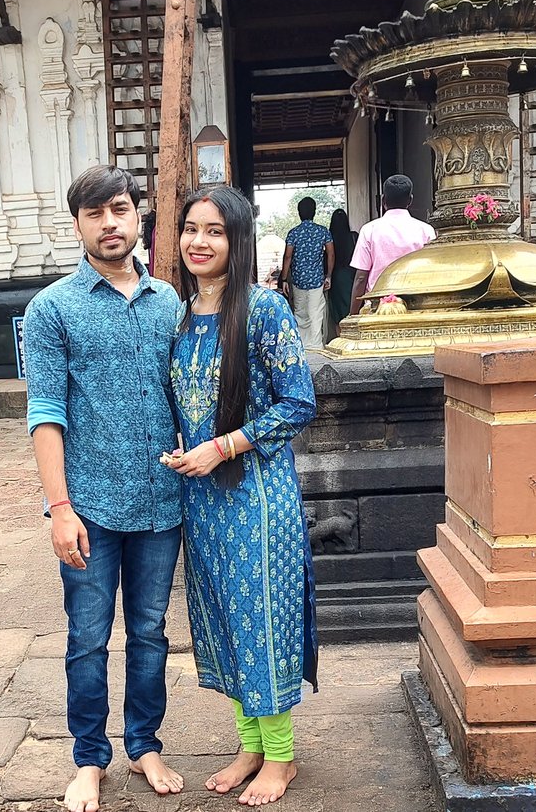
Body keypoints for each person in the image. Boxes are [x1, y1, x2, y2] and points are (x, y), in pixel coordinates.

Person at [23, 165, 185, 812]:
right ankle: (89, 758)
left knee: (150, 631)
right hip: (88, 506)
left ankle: (145, 742)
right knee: (87, 637)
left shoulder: (171, 302)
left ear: (137, 215)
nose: (109, 223)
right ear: (78, 225)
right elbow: (45, 414)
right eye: (95, 213)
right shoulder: (52, 308)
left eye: (119, 209)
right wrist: (59, 508)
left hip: (161, 504)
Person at [166, 185, 318, 806]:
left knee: (261, 620)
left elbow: (299, 403)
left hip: (255, 493)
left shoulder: (264, 310)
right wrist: (181, 446)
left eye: (215, 232)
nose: (199, 242)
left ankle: (281, 757)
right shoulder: (176, 313)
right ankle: (249, 744)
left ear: (238, 241)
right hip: (200, 498)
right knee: (224, 620)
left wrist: (225, 446)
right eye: (191, 229)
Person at [349, 175, 437, 316]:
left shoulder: (369, 230)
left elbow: (361, 278)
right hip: (416, 307)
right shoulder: (426, 230)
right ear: (410, 200)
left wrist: (352, 315)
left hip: (377, 309)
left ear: (383, 200)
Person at [280, 197, 333, 349]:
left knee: (300, 314)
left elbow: (288, 256)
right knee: (316, 314)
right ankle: (316, 346)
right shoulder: (323, 232)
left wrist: (284, 279)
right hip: (317, 281)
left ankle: (302, 346)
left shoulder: (293, 233)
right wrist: (328, 275)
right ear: (314, 212)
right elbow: (331, 254)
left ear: (299, 213)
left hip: (298, 281)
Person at [327, 208, 358, 329]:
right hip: (352, 277)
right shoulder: (354, 237)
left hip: (336, 278)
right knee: (353, 307)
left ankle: (340, 337)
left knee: (338, 312)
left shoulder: (330, 239)